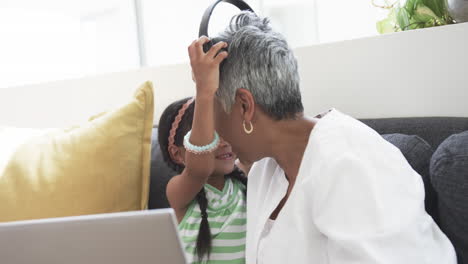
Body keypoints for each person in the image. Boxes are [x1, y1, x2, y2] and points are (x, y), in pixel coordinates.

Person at [187, 11, 457, 264]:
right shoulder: (263, 171)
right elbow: (195, 168)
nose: (214, 130)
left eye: (214, 113)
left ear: (245, 107)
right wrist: (204, 92)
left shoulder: (350, 163)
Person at [158, 96, 247, 264]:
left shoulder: (245, 178)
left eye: (225, 130)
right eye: (210, 136)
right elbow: (199, 169)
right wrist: (205, 88)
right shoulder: (178, 191)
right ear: (178, 153)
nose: (224, 142)